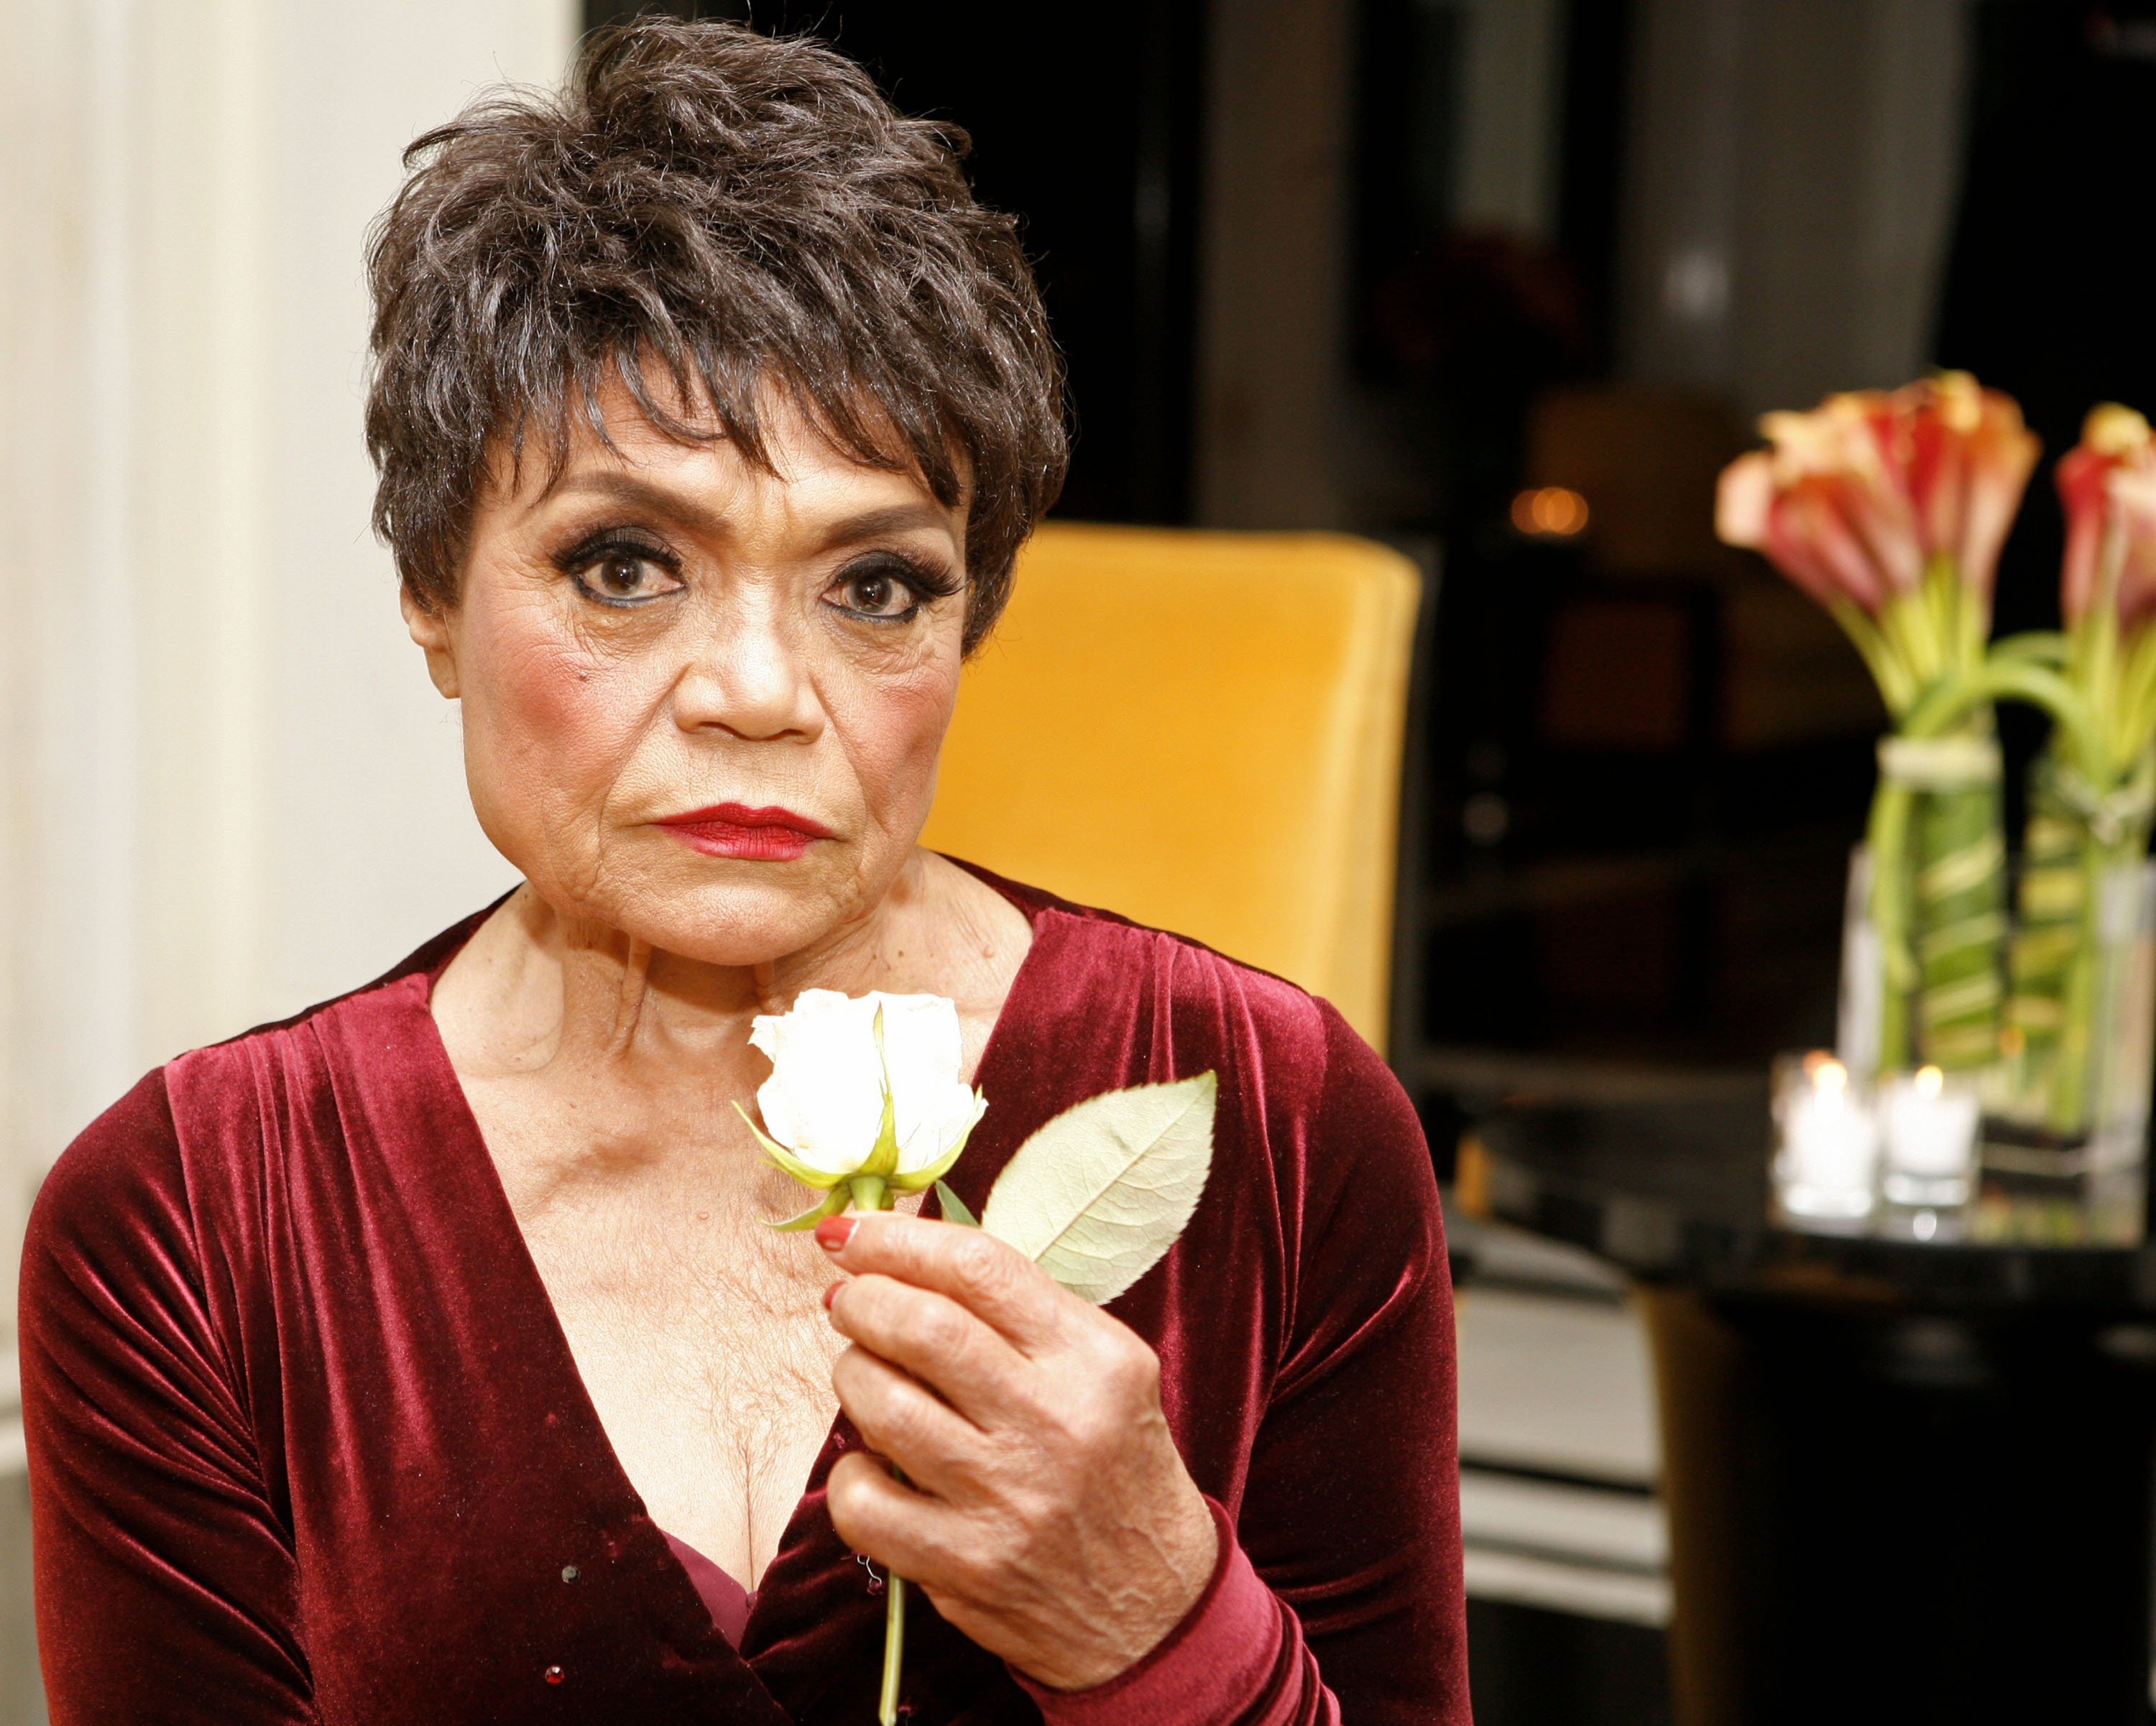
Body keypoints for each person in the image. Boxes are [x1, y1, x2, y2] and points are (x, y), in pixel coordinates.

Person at [20, 20, 1467, 1725]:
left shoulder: (1285, 1135)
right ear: (431, 594)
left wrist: (1156, 1621)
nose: (765, 692)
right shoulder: (200, 1224)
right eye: (626, 564)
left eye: (875, 587)